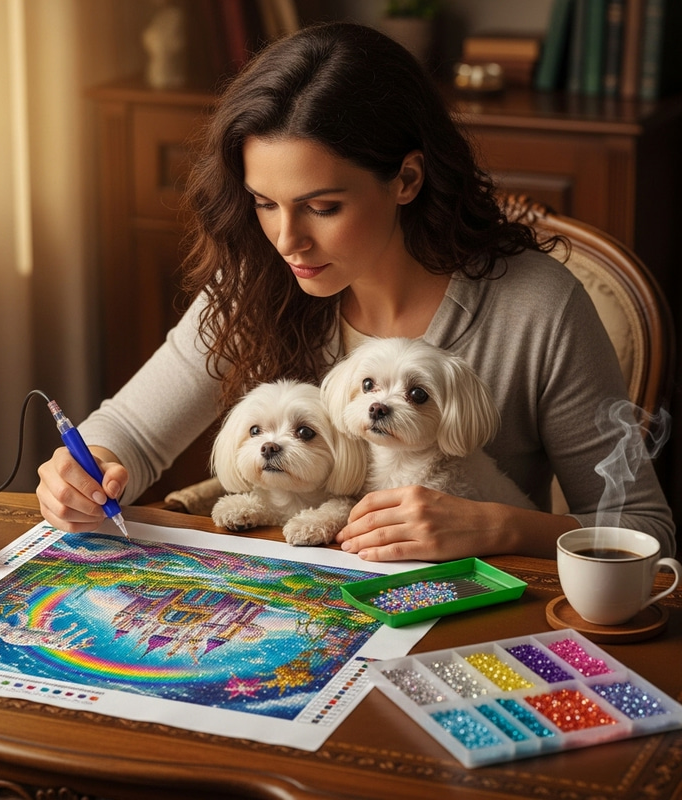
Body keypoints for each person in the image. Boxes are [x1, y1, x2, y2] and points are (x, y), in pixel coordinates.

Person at [36, 22, 675, 561]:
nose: (287, 240)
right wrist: (86, 469)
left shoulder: (537, 306)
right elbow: (133, 434)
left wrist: (498, 528)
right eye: (265, 203)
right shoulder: (259, 280)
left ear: (405, 179)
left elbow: (645, 534)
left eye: (322, 206)